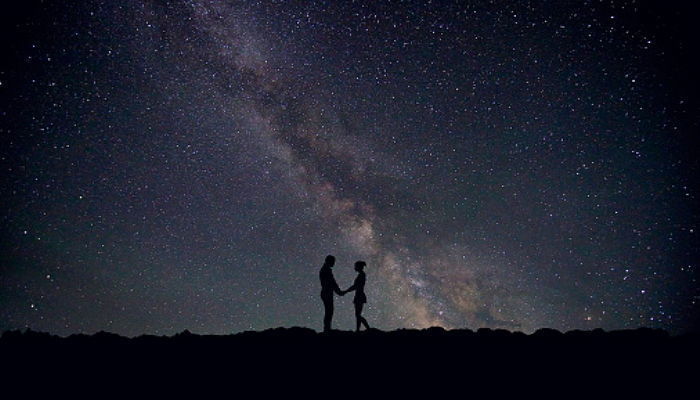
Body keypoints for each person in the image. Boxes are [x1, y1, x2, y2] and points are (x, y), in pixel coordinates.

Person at [342, 261, 370, 332]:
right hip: (359, 295)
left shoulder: (361, 275)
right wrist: (347, 291)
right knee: (358, 314)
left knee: (358, 314)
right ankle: (358, 329)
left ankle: (368, 328)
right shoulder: (361, 275)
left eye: (356, 266)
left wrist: (346, 291)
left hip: (359, 295)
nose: (355, 267)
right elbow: (355, 286)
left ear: (359, 267)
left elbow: (355, 286)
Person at [319, 255, 344, 332]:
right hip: (327, 293)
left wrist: (338, 291)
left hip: (326, 292)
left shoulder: (325, 269)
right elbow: (332, 282)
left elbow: (332, 283)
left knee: (329, 311)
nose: (334, 263)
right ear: (329, 261)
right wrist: (339, 291)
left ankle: (327, 328)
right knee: (329, 311)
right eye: (333, 262)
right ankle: (327, 329)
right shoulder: (326, 270)